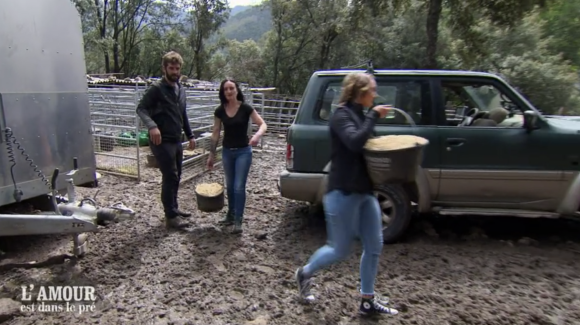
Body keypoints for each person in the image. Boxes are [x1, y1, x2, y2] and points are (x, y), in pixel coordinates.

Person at [294, 72, 399, 316]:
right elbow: (354, 142)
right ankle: (304, 273)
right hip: (342, 193)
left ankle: (367, 300)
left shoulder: (359, 114)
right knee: (340, 249)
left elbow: (363, 146)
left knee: (374, 245)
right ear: (360, 92)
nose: (375, 95)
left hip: (365, 192)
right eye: (372, 90)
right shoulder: (341, 115)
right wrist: (374, 116)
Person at [136, 51, 196, 229]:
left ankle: (174, 208)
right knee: (170, 175)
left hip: (176, 139)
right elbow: (141, 109)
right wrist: (152, 126)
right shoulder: (156, 89)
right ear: (164, 68)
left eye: (177, 68)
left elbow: (182, 114)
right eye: (171, 68)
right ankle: (170, 217)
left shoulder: (181, 89)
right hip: (161, 141)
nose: (175, 71)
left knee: (177, 176)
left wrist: (190, 135)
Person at [207, 78, 267, 234]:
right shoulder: (220, 110)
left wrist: (256, 136)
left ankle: (239, 220)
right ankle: (230, 214)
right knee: (230, 186)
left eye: (231, 88)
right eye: (225, 89)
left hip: (243, 152)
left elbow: (262, 124)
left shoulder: (246, 108)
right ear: (223, 92)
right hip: (227, 152)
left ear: (237, 90)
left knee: (239, 187)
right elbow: (215, 133)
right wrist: (211, 154)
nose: (229, 91)